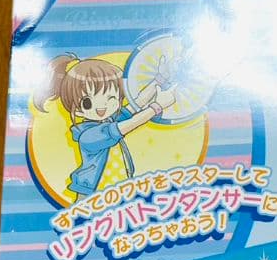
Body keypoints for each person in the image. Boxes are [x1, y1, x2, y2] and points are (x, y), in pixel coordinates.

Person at [34, 53, 174, 197]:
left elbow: (136, 103)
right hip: (93, 195)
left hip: (116, 189)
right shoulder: (88, 136)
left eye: (111, 98)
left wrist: (159, 80)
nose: (101, 108)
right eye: (87, 103)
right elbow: (128, 125)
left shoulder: (109, 120)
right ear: (76, 109)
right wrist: (156, 107)